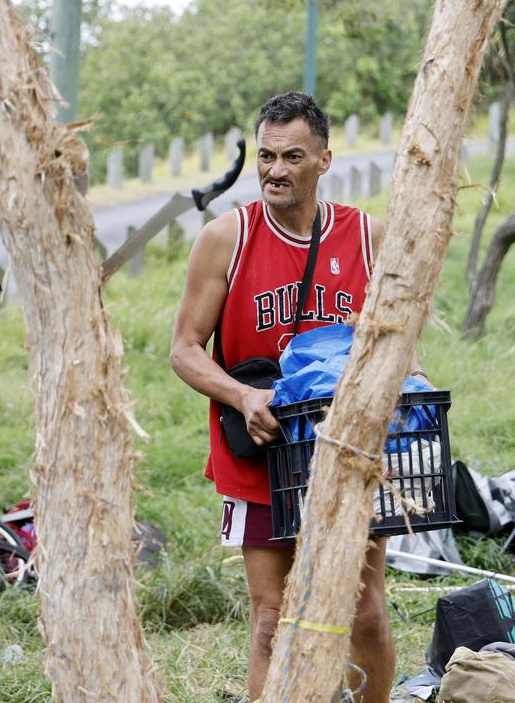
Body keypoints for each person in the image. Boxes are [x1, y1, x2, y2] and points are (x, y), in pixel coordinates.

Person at [171, 91, 419, 702]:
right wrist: (241, 397)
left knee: (364, 610)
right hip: (262, 455)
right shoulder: (225, 239)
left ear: (324, 160)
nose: (275, 170)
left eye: (292, 156)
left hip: (348, 455)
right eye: (266, 156)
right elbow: (184, 349)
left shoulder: (366, 237)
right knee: (269, 616)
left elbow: (400, 351)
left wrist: (403, 397)